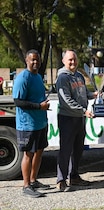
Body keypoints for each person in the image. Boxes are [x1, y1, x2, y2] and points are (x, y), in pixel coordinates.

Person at [56, 49, 97, 191]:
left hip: (79, 118)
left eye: (74, 59)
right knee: (65, 150)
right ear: (64, 61)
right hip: (68, 118)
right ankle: (61, 180)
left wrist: (93, 94)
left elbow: (84, 94)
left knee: (78, 150)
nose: (72, 62)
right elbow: (66, 100)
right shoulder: (62, 78)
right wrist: (84, 111)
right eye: (69, 60)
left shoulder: (79, 76)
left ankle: (74, 176)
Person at [12, 49, 50, 198]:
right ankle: (26, 186)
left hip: (40, 122)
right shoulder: (23, 78)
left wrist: (43, 106)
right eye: (32, 60)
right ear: (26, 61)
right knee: (28, 154)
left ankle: (33, 180)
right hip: (27, 124)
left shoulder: (38, 77)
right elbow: (18, 101)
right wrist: (38, 106)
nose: (35, 62)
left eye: (37, 60)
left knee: (39, 151)